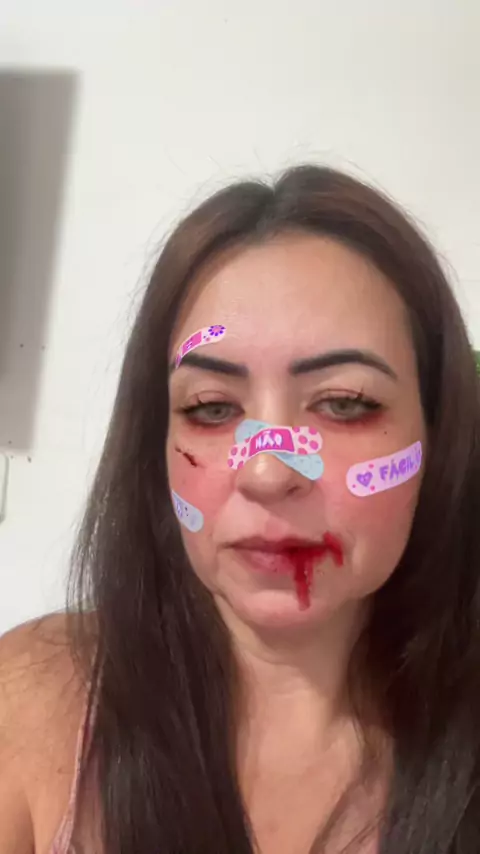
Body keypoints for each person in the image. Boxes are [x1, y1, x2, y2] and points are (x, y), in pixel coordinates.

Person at [1, 165, 480, 854]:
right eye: (211, 408)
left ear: (438, 436)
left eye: (345, 403)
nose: (268, 471)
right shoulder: (30, 700)